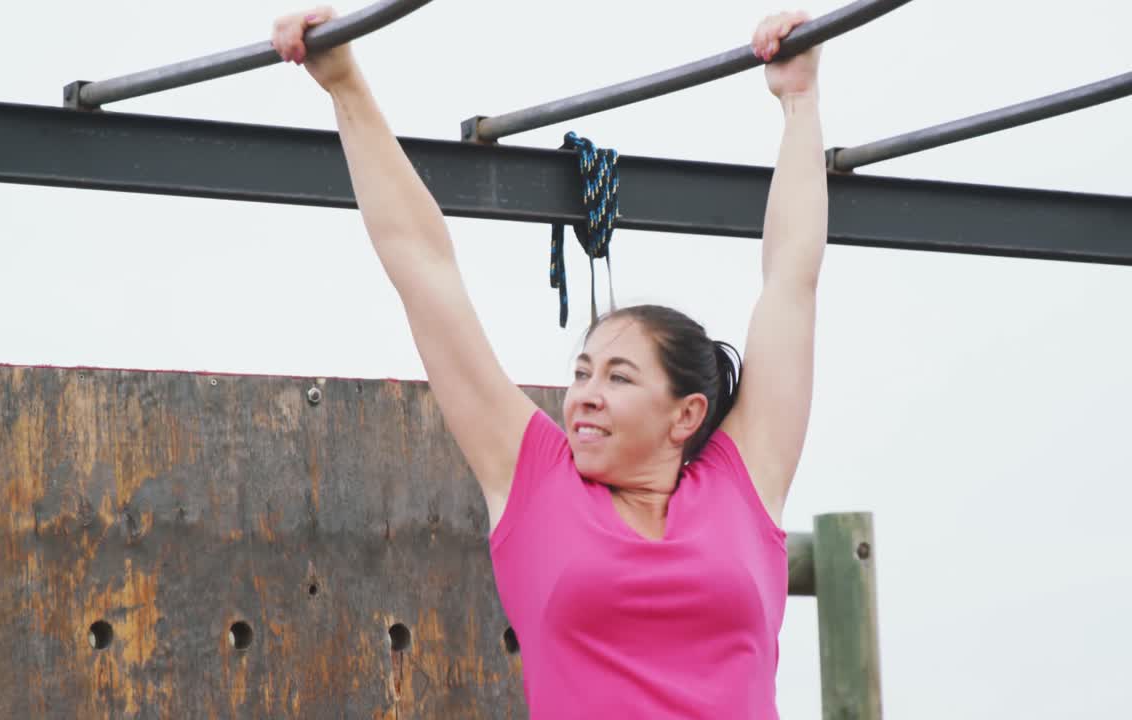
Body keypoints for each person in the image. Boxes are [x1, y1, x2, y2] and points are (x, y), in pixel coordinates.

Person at [273, 7, 826, 718]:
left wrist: (801, 102)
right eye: (582, 374)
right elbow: (423, 267)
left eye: (619, 378)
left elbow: (792, 282)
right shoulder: (534, 479)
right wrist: (344, 83)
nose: (585, 396)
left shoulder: (743, 487)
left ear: (686, 414)